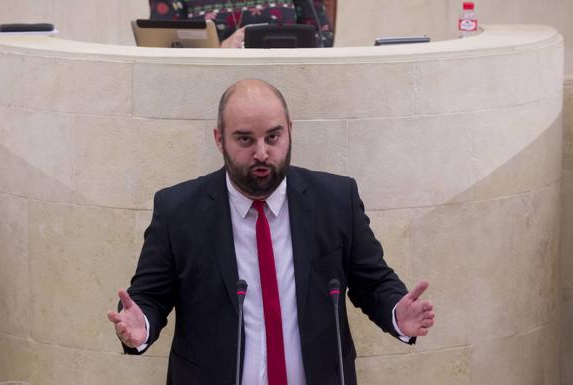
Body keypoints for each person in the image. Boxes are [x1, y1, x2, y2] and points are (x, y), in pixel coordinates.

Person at [107, 79, 435, 385]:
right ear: (219, 138)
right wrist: (141, 325)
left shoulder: (335, 201)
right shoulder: (179, 210)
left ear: (290, 132)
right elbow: (150, 295)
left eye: (273, 137)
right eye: (245, 139)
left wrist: (396, 313)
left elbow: (373, 282)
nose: (262, 153)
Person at [148, 0, 334, 47]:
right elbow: (160, 49)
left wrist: (260, 41)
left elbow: (324, 40)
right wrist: (218, 51)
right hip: (203, 95)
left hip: (283, 88)